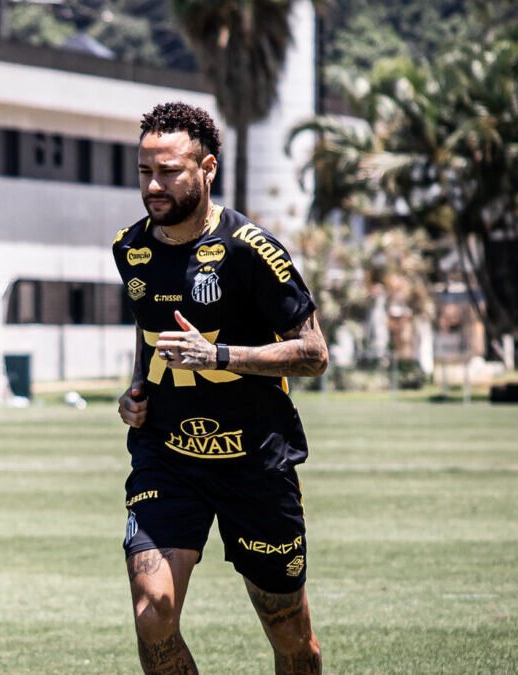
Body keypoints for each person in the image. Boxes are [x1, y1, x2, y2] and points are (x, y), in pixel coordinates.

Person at [112, 101, 328, 675]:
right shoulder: (130, 249)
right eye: (144, 172)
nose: (153, 186)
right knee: (151, 609)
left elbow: (313, 353)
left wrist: (219, 356)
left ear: (207, 168)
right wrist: (137, 388)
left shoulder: (251, 250)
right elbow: (149, 326)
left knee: (290, 634)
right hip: (168, 458)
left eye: (170, 172)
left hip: (254, 464)